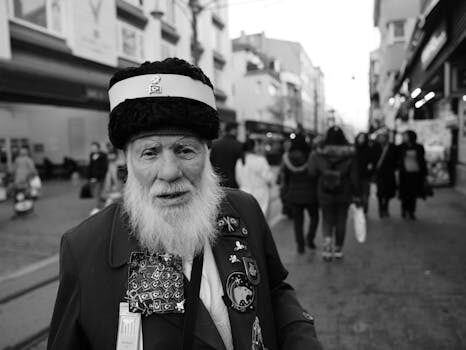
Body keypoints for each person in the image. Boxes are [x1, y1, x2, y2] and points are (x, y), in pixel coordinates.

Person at [47, 58, 322, 350]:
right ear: (126, 160)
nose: (169, 172)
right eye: (150, 153)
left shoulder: (245, 210)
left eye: (185, 150)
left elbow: (276, 291)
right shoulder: (85, 247)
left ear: (207, 153)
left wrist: (301, 338)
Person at [308, 126, 359, 261]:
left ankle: (327, 249)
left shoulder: (318, 153)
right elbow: (354, 176)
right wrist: (357, 193)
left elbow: (311, 172)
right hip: (344, 191)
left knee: (327, 219)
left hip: (324, 191)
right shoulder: (350, 154)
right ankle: (338, 249)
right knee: (341, 220)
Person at [281, 136, 319, 254]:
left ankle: (300, 245)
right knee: (315, 217)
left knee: (298, 221)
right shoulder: (311, 156)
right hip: (310, 193)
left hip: (294, 194)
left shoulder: (287, 157)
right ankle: (310, 239)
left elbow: (285, 177)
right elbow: (315, 173)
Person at [235, 138, 273, 215]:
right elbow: (268, 177)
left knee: (247, 219)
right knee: (260, 218)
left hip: (243, 193)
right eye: (256, 145)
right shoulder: (261, 160)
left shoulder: (240, 161)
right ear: (253, 147)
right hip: (260, 193)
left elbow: (238, 179)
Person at [397, 130, 427, 220]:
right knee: (404, 193)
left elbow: (422, 160)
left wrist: (424, 174)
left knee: (413, 194)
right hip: (404, 174)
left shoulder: (419, 147)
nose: (404, 137)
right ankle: (404, 210)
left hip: (415, 173)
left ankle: (411, 212)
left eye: (405, 136)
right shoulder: (401, 147)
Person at [210, 122, 244, 188]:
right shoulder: (239, 146)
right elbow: (242, 167)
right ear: (234, 130)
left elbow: (210, 162)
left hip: (217, 181)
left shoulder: (215, 144)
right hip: (233, 184)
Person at [373, 131, 397, 218]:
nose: (381, 139)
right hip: (379, 172)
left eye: (383, 137)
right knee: (380, 191)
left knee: (387, 191)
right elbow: (373, 159)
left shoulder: (392, 147)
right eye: (380, 137)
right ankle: (380, 208)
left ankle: (385, 207)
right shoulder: (376, 147)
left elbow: (395, 158)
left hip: (389, 172)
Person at [354, 132, 376, 214]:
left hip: (365, 175)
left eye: (363, 137)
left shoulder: (369, 149)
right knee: (357, 192)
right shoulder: (353, 148)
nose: (361, 139)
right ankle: (358, 207)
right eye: (360, 137)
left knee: (365, 193)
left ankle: (364, 207)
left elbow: (372, 161)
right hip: (355, 175)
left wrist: (370, 169)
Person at [87, 141, 108, 213]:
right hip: (92, 177)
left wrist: (99, 176)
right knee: (95, 192)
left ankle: (98, 207)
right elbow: (90, 166)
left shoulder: (103, 155)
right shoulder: (91, 155)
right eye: (92, 147)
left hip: (100, 177)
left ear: (98, 148)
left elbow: (104, 167)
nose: (93, 149)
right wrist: (89, 176)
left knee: (98, 192)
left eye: (94, 147)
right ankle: (104, 201)